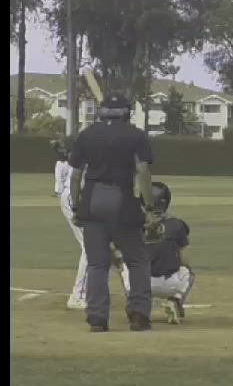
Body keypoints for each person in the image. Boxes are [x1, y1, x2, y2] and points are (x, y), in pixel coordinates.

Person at [67, 92, 161, 332]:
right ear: (127, 113)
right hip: (123, 201)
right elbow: (142, 171)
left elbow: (76, 175)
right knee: (137, 260)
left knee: (97, 264)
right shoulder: (136, 135)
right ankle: (139, 315)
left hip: (93, 200)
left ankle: (97, 318)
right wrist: (150, 207)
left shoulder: (86, 135)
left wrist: (76, 206)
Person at [116, 182, 195, 325]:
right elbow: (185, 260)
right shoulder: (177, 224)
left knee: (124, 265)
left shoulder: (132, 225)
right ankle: (176, 300)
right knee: (188, 272)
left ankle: (134, 304)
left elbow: (119, 253)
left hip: (138, 283)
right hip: (170, 284)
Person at [53, 140, 88, 310]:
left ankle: (85, 291)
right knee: (90, 246)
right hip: (73, 197)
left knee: (99, 245)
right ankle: (78, 296)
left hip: (76, 196)